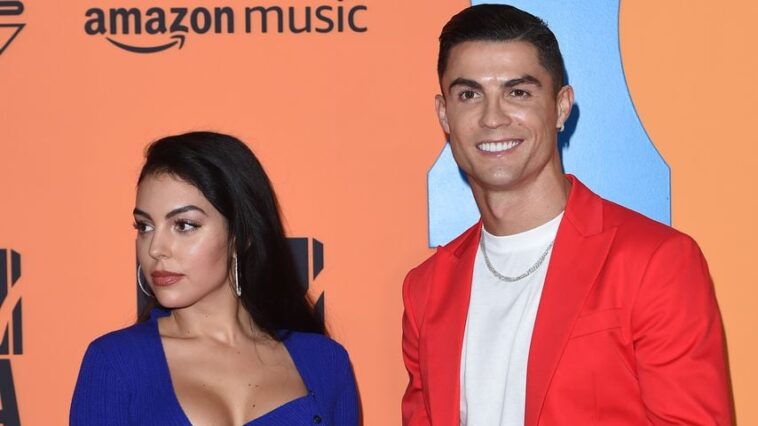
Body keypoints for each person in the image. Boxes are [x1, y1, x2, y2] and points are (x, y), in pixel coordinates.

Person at [401, 4, 732, 425]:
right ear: (444, 114)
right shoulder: (426, 290)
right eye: (470, 95)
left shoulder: (654, 262)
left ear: (560, 107)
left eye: (518, 92)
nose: (492, 117)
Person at [71, 131, 359, 425]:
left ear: (240, 236)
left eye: (184, 225)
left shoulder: (326, 363)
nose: (155, 249)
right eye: (145, 226)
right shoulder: (115, 364)